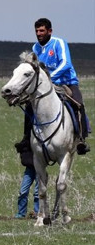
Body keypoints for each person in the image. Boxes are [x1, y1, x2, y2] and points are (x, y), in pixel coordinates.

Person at [28, 18, 90, 155]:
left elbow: (66, 63)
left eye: (42, 30)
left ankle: (81, 139)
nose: (39, 33)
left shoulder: (59, 43)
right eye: (37, 31)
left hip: (67, 82)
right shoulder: (35, 48)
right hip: (47, 85)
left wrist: (50, 78)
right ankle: (26, 139)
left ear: (50, 31)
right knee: (29, 105)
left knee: (78, 104)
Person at [14, 119, 40, 219]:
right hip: (29, 169)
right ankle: (21, 213)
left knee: (37, 193)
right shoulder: (27, 139)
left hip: (39, 169)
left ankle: (37, 212)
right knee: (23, 191)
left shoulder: (41, 142)